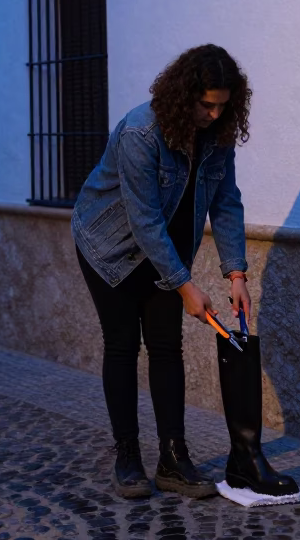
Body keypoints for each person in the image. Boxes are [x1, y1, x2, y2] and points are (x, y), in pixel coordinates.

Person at [72, 44, 252, 499]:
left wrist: (236, 274)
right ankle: (127, 458)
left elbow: (226, 202)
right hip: (109, 248)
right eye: (206, 105)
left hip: (164, 251)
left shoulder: (217, 135)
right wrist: (185, 286)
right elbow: (144, 220)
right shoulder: (140, 133)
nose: (214, 114)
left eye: (222, 106)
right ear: (183, 94)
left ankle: (174, 459)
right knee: (123, 344)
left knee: (167, 346)